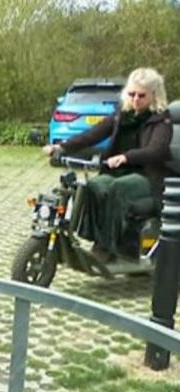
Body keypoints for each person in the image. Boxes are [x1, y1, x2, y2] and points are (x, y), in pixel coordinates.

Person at [43, 67, 173, 261]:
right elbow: (93, 134)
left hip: (147, 176)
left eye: (141, 95)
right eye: (131, 94)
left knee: (116, 189)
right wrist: (62, 147)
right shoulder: (122, 114)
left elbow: (158, 150)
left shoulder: (161, 121)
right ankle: (95, 238)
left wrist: (127, 157)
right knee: (92, 186)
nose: (135, 99)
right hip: (118, 172)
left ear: (154, 96)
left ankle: (107, 248)